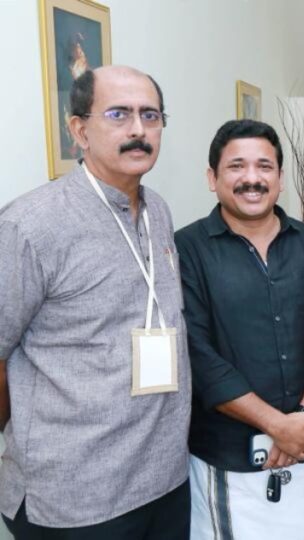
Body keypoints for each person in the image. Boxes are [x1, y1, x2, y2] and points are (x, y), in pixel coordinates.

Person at [0, 66, 190, 538]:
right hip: (76, 497)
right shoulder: (31, 225)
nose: (138, 129)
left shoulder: (158, 210)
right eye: (118, 114)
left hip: (166, 478)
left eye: (151, 115)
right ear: (79, 130)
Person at [176, 119, 304, 539]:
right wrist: (276, 425)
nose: (252, 178)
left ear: (280, 178)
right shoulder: (186, 249)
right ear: (212, 178)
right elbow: (197, 355)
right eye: (236, 166)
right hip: (228, 463)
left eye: (264, 166)